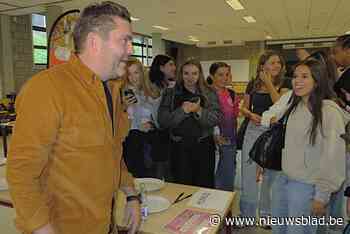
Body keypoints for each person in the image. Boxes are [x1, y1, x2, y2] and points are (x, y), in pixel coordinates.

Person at [6, 2, 141, 234]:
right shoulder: (47, 89)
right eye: (124, 40)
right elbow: (22, 172)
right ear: (94, 43)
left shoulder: (112, 89)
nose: (131, 50)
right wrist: (42, 228)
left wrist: (131, 194)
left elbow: (112, 153)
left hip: (104, 224)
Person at [239, 50, 289, 222]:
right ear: (262, 65)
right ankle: (247, 216)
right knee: (248, 174)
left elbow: (281, 105)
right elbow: (244, 107)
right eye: (272, 62)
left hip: (273, 134)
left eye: (279, 63)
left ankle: (267, 215)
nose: (277, 66)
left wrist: (268, 83)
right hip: (253, 130)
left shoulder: (285, 84)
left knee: (271, 177)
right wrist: (250, 115)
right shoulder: (252, 84)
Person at [158, 59, 221, 188]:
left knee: (204, 188)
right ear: (181, 74)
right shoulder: (171, 93)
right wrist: (182, 111)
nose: (190, 77)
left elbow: (215, 118)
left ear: (200, 74)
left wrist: (198, 110)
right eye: (186, 73)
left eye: (194, 73)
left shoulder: (209, 92)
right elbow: (163, 121)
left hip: (204, 147)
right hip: (179, 149)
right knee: (181, 187)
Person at [122, 58, 159, 178]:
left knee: (149, 176)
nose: (133, 77)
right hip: (130, 139)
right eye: (129, 73)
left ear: (142, 73)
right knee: (136, 176)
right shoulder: (122, 92)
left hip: (148, 140)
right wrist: (124, 106)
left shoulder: (149, 92)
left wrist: (151, 124)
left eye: (136, 72)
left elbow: (156, 117)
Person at [208, 62, 240, 191]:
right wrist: (215, 135)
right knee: (213, 178)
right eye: (220, 75)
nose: (224, 78)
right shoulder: (207, 94)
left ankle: (225, 207)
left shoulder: (232, 94)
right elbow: (206, 118)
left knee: (228, 176)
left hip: (230, 141)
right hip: (213, 141)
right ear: (212, 76)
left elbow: (234, 116)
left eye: (227, 74)